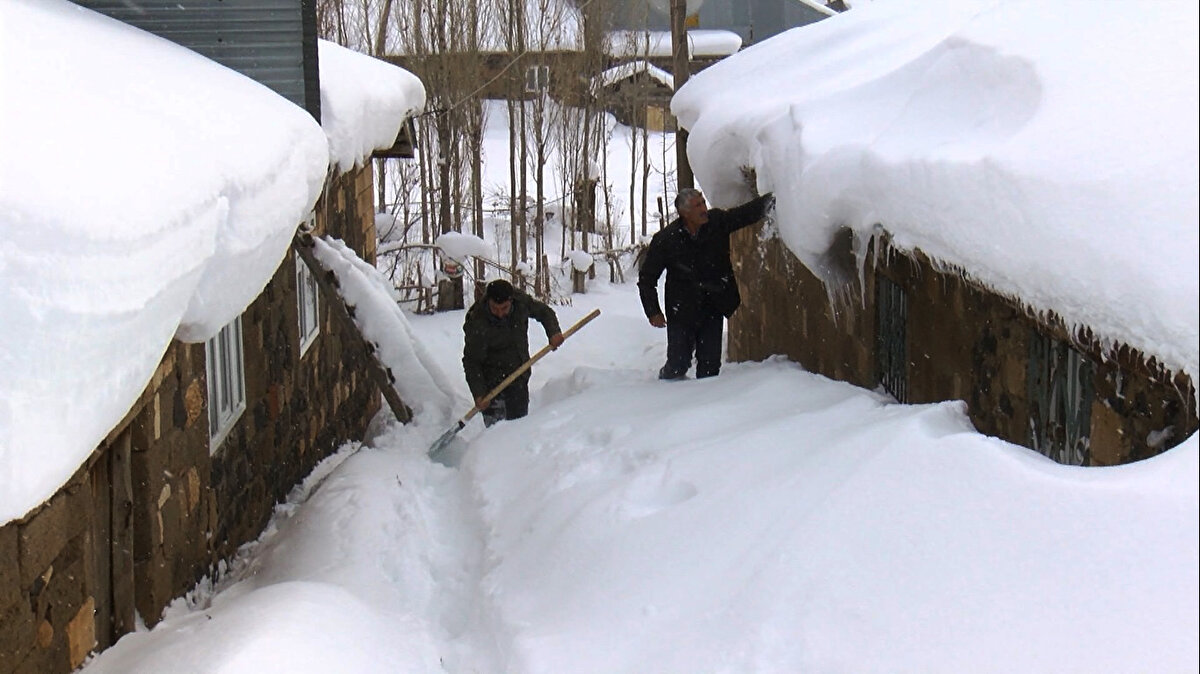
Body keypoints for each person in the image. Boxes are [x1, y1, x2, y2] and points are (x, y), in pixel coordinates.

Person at [638, 188, 775, 380]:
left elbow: (743, 215)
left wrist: (772, 200)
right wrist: (653, 311)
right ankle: (666, 389)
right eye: (698, 206)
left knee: (710, 369)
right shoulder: (666, 240)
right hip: (682, 309)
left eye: (703, 203)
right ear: (685, 213)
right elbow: (647, 279)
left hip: (713, 305)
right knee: (678, 364)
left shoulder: (716, 222)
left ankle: (705, 406)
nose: (704, 208)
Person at [463, 279, 564, 426]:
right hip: (492, 385)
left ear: (510, 301)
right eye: (495, 309)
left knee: (519, 427)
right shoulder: (478, 322)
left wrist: (554, 332)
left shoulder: (520, 302)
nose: (499, 314)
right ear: (488, 302)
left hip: (519, 375)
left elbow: (544, 312)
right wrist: (479, 393)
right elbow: (472, 361)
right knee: (496, 433)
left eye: (504, 308)